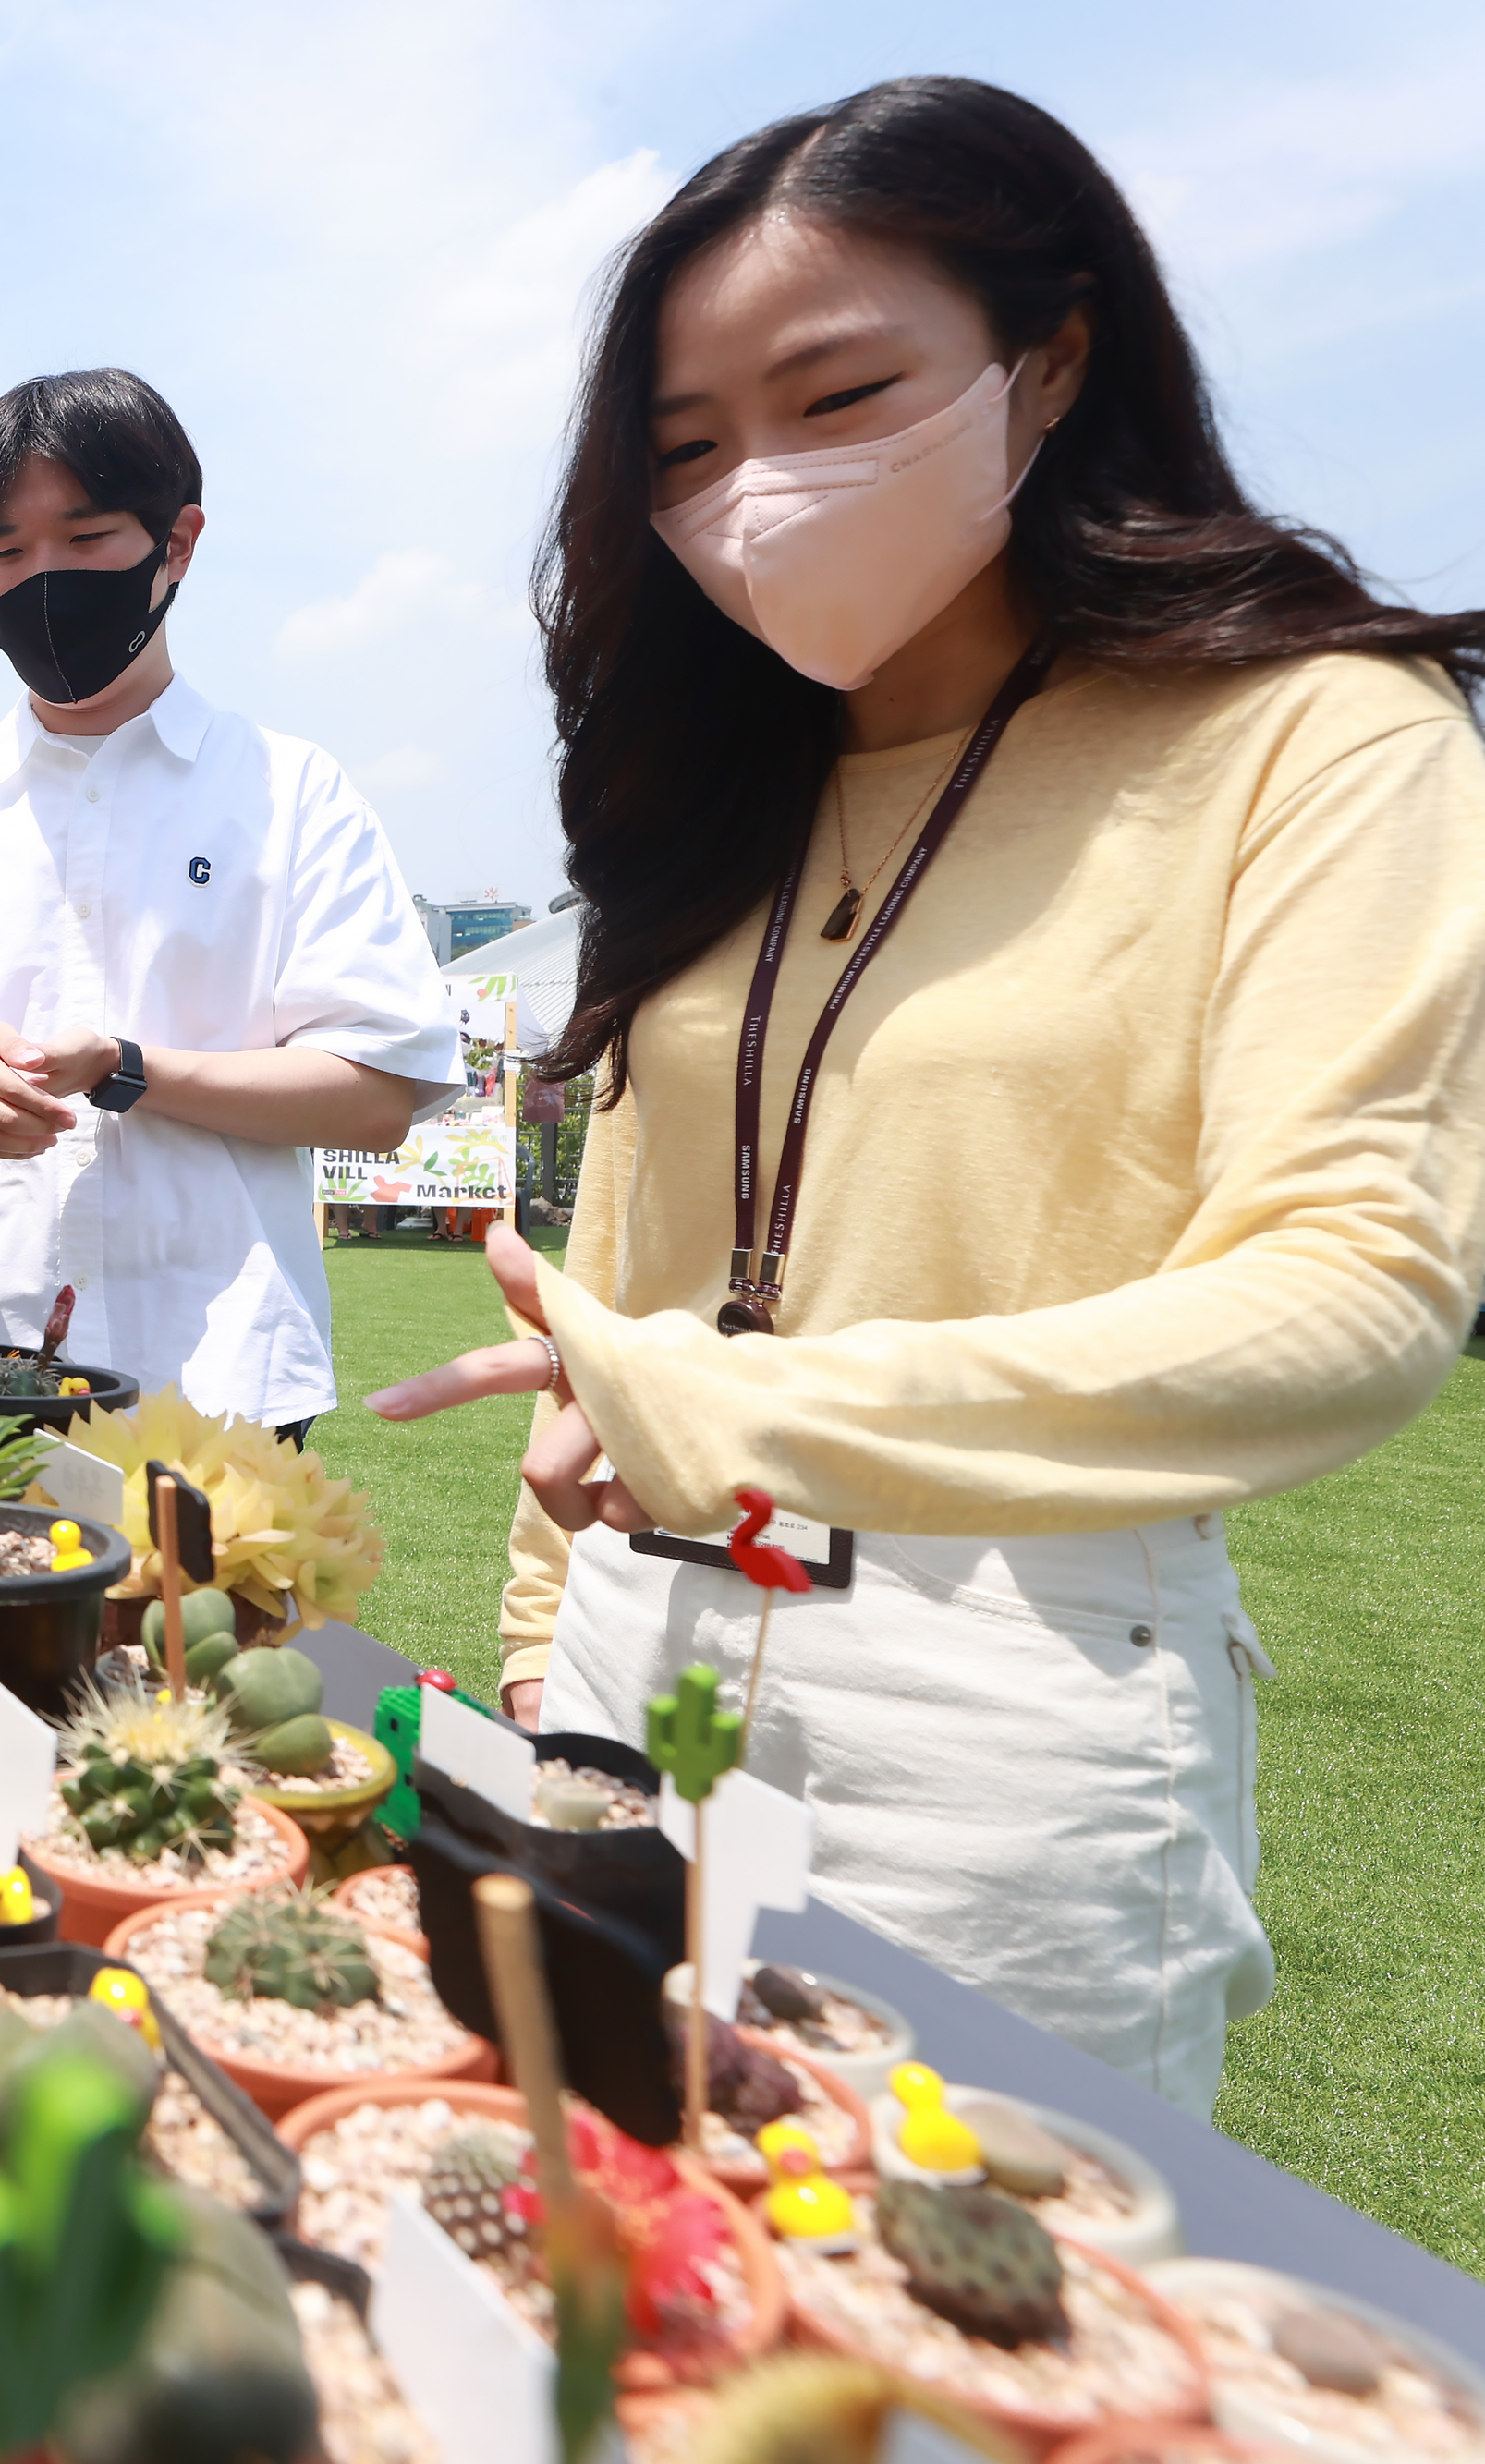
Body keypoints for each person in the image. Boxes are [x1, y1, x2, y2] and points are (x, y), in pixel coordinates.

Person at [365, 77, 1485, 2112]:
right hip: (632, 1635)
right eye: (684, 449)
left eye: (836, 394)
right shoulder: (710, 795)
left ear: (1048, 361)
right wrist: (542, 1647)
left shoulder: (1314, 736)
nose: (751, 491)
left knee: (936, 2356)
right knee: (587, 2230)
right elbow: (607, 1293)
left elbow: (1352, 1289)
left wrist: (740, 1414)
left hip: (1007, 1690)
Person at [0, 368, 460, 1434]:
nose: (42, 578)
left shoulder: (288, 794)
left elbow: (379, 1092)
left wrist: (130, 1070)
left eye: (86, 536)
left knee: (205, 1614)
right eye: (5, 552)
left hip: (218, 1378)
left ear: (177, 544)